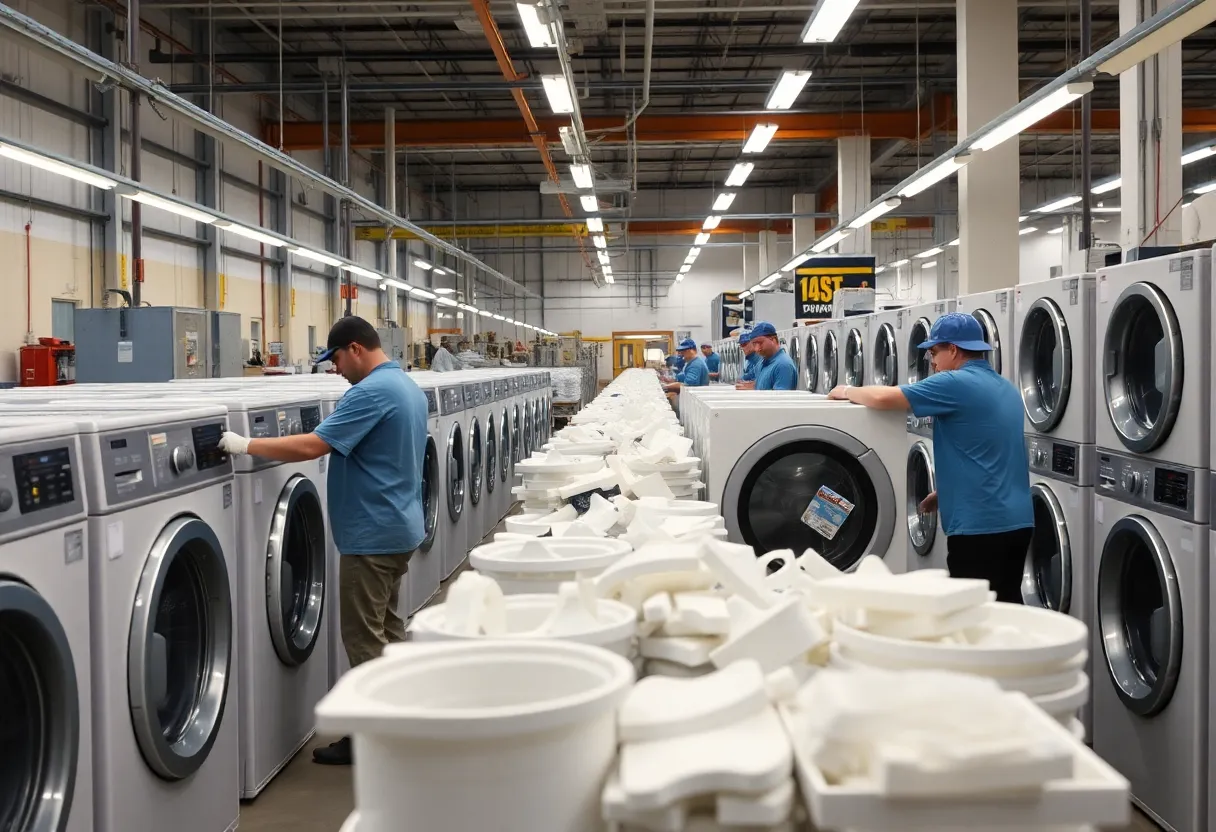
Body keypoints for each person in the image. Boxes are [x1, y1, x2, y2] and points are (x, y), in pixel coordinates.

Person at [217, 316, 429, 766]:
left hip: (372, 537)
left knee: (363, 637)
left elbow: (313, 446)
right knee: (389, 630)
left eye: (334, 358)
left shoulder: (370, 393)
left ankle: (372, 739)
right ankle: (402, 717)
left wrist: (246, 444)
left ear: (355, 349)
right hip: (401, 527)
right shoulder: (406, 386)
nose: (334, 369)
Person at [826, 312, 1033, 602]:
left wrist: (846, 390)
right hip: (1017, 521)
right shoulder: (1005, 387)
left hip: (979, 526)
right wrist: (946, 491)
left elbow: (885, 399)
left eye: (935, 352)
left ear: (954, 350)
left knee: (972, 615)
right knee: (1007, 606)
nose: (932, 361)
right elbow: (992, 451)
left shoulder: (956, 383)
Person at [737, 322, 796, 391]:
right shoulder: (761, 363)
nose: (757, 349)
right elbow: (763, 385)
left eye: (760, 343)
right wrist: (752, 386)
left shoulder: (783, 365)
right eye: (754, 344)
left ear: (773, 340)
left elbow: (780, 399)